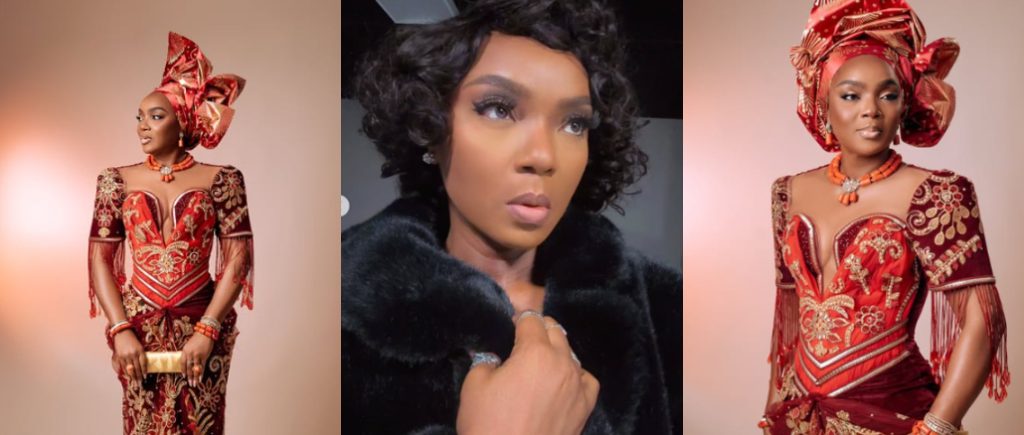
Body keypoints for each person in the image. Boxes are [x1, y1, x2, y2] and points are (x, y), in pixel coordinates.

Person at [341, 0, 681, 433]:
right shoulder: (332, 314)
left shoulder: (667, 311)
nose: (543, 156)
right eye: (498, 108)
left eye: (574, 123)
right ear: (430, 128)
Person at [762, 1, 1009, 433]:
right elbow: (790, 316)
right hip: (800, 418)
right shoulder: (788, 193)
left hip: (895, 414)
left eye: (888, 94)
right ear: (823, 101)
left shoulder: (937, 193)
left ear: (905, 103)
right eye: (851, 95)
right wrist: (771, 416)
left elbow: (982, 319)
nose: (871, 110)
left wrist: (937, 427)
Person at [87, 32, 253, 434]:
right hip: (136, 326)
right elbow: (100, 260)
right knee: (142, 424)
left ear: (182, 121)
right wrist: (120, 329)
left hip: (202, 323)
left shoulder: (223, 179)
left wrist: (208, 329)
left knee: (201, 424)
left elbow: (238, 258)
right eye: (139, 117)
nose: (142, 126)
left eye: (155, 116)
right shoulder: (114, 181)